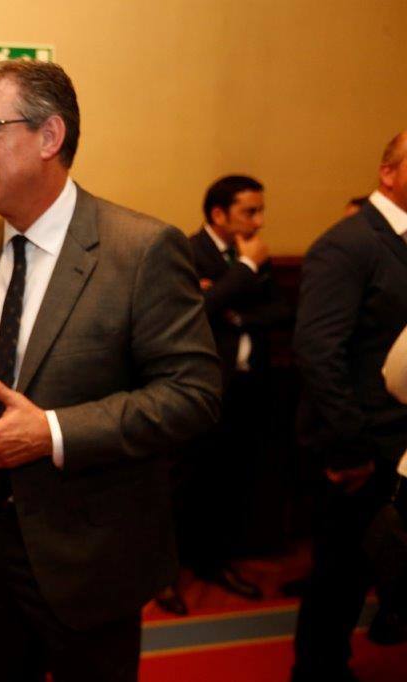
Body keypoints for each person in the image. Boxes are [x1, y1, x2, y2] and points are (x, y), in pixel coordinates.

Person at [0, 59, 222, 681]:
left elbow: (193, 395)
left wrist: (52, 433)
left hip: (89, 553)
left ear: (50, 137)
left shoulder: (140, 250)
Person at [291, 130, 407, 681]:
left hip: (400, 442)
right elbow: (318, 354)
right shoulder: (350, 244)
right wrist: (354, 447)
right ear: (388, 173)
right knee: (339, 579)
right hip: (363, 448)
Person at [158, 176, 292, 614]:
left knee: (227, 483)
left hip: (249, 387)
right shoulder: (186, 251)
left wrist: (233, 309)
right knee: (182, 486)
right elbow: (194, 310)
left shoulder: (253, 252)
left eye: (259, 210)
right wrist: (244, 273)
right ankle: (164, 578)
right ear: (218, 214)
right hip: (198, 392)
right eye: (249, 212)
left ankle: (214, 562)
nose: (259, 221)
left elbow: (281, 310)